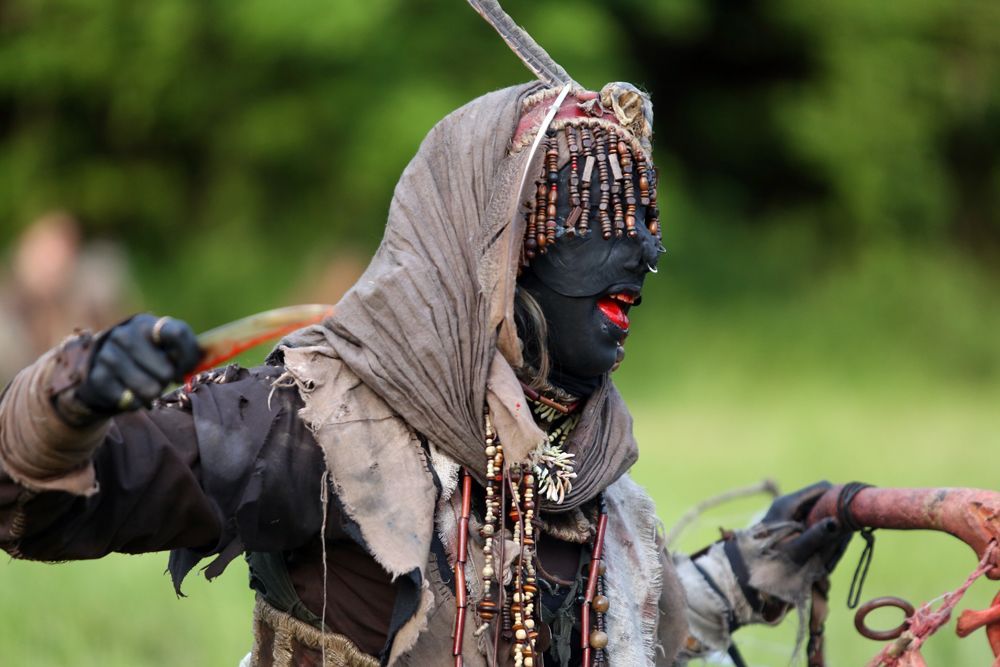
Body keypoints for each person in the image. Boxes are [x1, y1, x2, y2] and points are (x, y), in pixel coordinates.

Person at [0, 3, 849, 665]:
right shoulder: (325, 427)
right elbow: (37, 506)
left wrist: (747, 573)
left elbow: (619, 627)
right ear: (492, 253)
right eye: (595, 217)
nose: (641, 251)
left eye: (642, 221)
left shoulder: (589, 471)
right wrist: (71, 402)